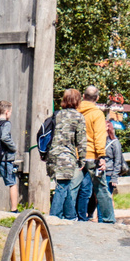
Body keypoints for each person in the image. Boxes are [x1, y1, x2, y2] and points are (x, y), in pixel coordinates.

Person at [76, 85, 115, 223]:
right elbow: (99, 136)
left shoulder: (76, 111)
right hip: (93, 156)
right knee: (101, 188)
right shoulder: (97, 113)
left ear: (83, 96)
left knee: (72, 188)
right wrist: (102, 157)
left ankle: (69, 217)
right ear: (97, 98)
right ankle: (108, 219)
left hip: (77, 155)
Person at [46, 88, 86, 220]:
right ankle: (54, 216)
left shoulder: (56, 114)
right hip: (66, 156)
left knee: (65, 184)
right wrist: (82, 159)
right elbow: (81, 141)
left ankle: (70, 216)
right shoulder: (78, 117)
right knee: (62, 186)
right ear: (77, 100)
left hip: (52, 155)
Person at [104, 120, 126, 194]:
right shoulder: (99, 141)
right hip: (99, 173)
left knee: (107, 197)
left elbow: (118, 160)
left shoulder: (114, 142)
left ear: (107, 127)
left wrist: (114, 177)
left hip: (109, 174)